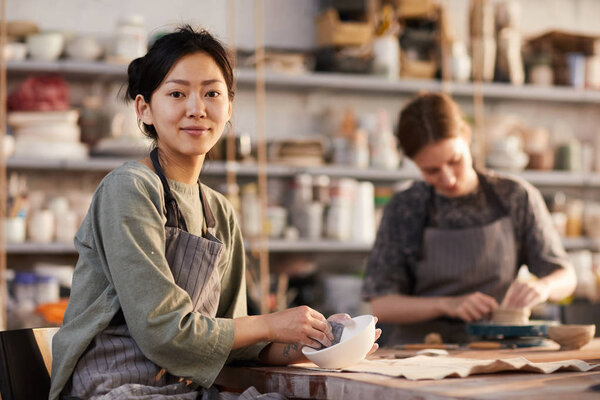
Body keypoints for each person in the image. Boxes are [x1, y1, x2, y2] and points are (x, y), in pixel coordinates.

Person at [50, 26, 379, 399]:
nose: (197, 109)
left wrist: (320, 342)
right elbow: (165, 331)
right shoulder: (130, 188)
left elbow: (234, 344)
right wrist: (270, 323)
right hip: (114, 389)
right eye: (177, 93)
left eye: (212, 93)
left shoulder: (218, 212)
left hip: (184, 390)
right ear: (144, 109)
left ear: (229, 108)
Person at [362, 92, 576, 345]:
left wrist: (544, 287)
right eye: (431, 170)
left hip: (496, 346)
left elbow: (566, 276)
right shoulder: (404, 207)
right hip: (419, 350)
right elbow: (381, 304)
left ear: (466, 135)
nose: (448, 179)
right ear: (413, 162)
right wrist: (447, 304)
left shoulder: (515, 197)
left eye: (455, 161)